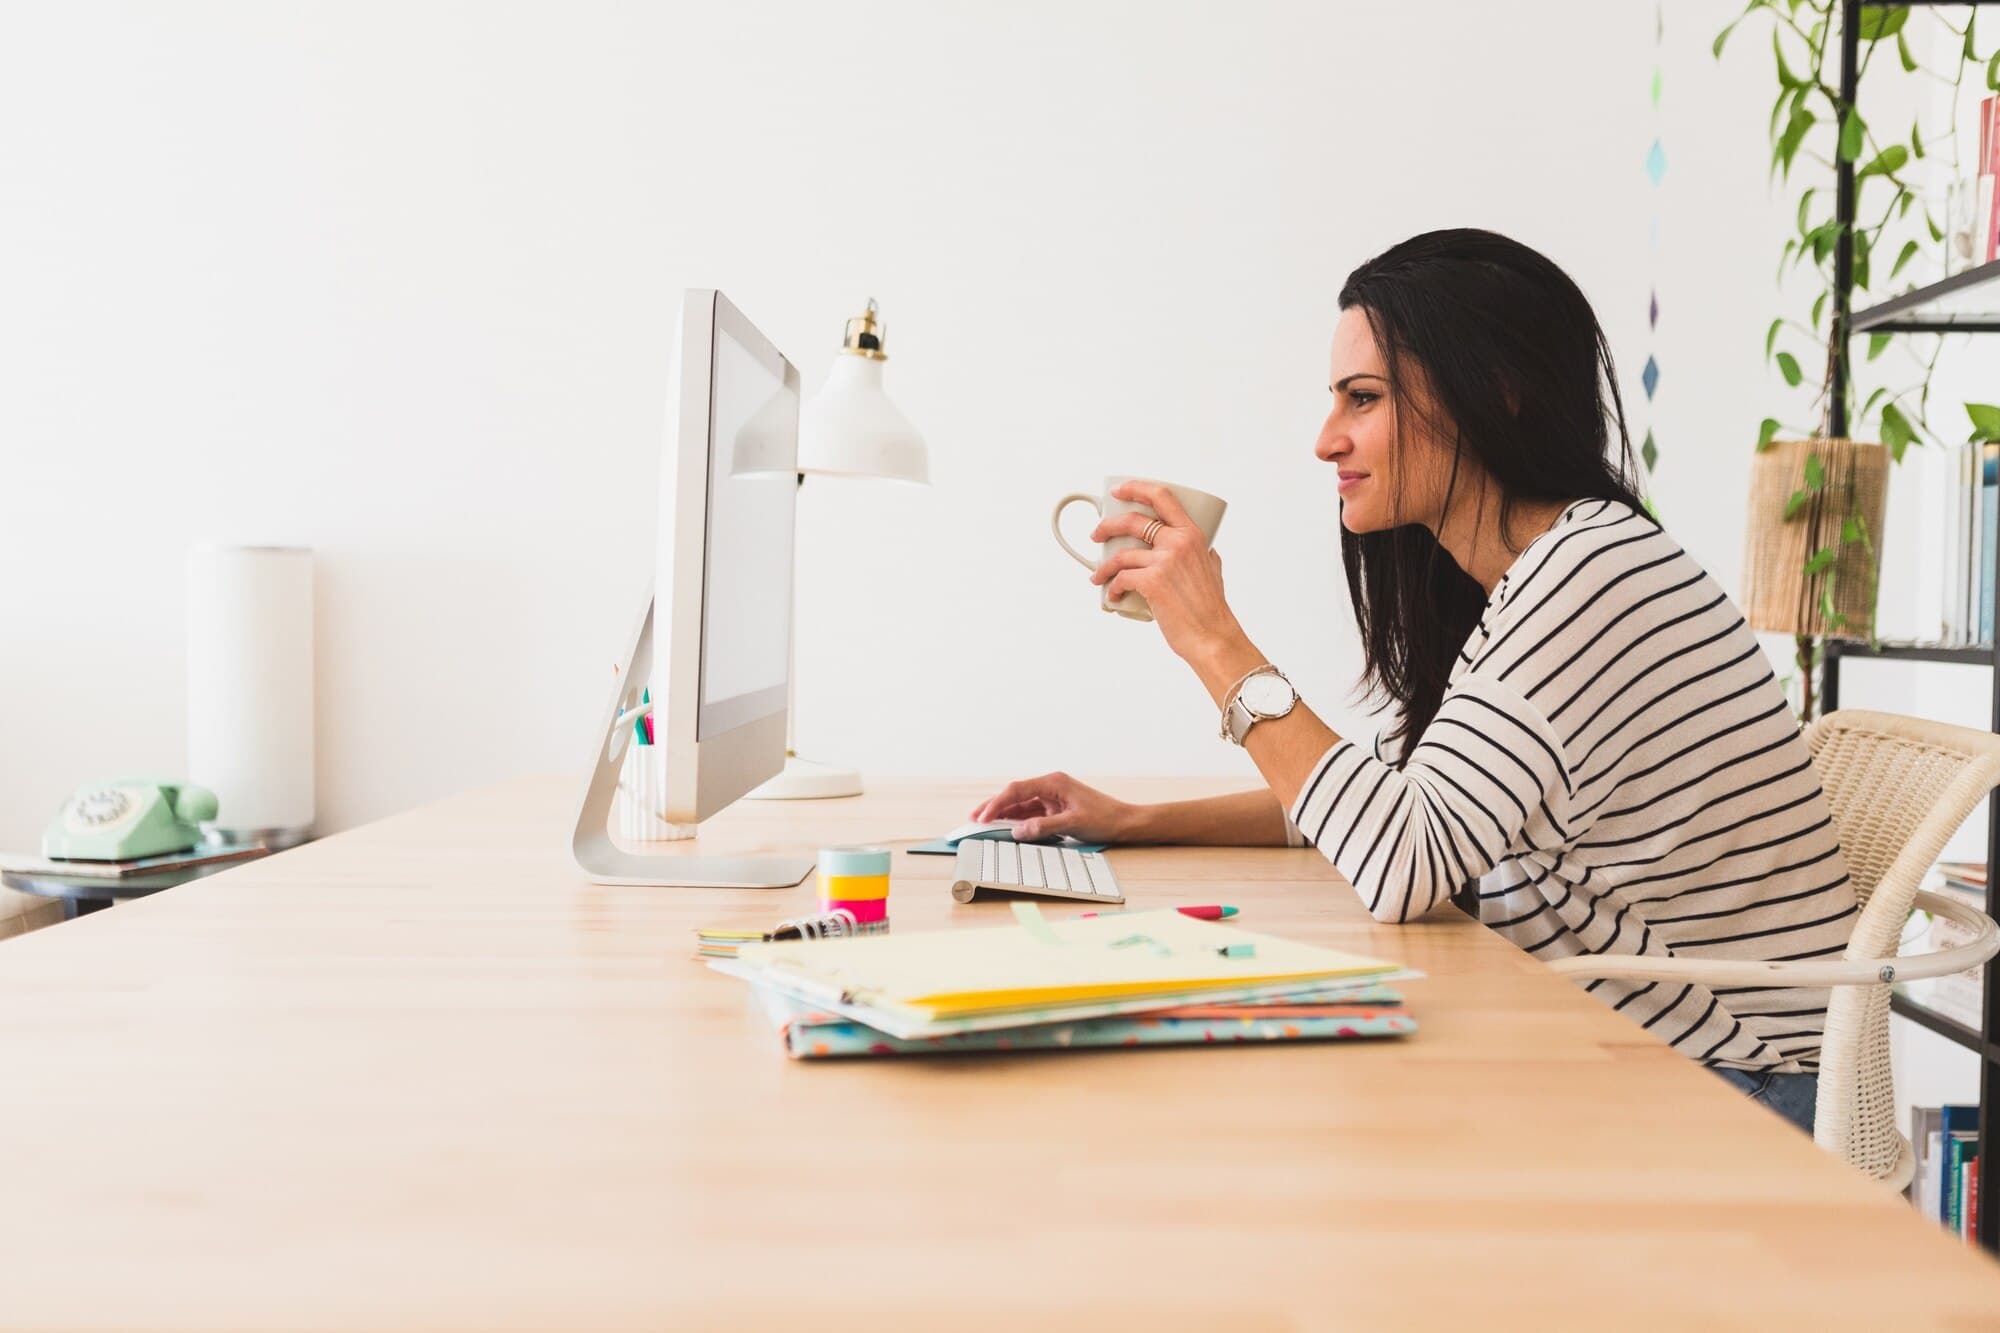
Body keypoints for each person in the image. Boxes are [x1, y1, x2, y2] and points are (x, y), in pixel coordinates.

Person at [971, 228, 1853, 1135]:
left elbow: (1400, 859)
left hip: (1745, 1091)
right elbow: (1388, 808)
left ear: (1495, 393)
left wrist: (1212, 639)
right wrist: (1134, 821)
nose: (1326, 440)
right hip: (1638, 1046)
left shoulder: (1590, 575)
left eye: (1363, 398)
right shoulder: (1530, 573)